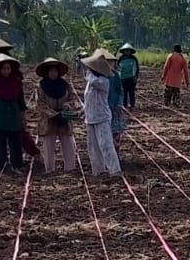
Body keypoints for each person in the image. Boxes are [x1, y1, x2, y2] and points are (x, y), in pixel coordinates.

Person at [0, 53, 38, 174]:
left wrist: (23, 115)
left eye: (8, 68)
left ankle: (16, 166)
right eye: (4, 68)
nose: (6, 71)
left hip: (13, 113)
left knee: (16, 141)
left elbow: (21, 101)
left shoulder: (16, 81)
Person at [32, 58, 80, 175]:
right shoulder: (41, 86)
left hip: (64, 118)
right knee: (48, 145)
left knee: (68, 143)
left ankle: (70, 168)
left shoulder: (65, 85)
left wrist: (66, 107)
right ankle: (49, 169)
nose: (53, 73)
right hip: (48, 119)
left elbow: (72, 99)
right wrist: (53, 114)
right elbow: (40, 104)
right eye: (51, 71)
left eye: (55, 71)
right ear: (47, 72)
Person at [81, 52, 121, 181]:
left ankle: (114, 170)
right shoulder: (91, 82)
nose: (88, 70)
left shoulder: (103, 81)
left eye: (90, 68)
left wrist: (88, 73)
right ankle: (98, 170)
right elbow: (88, 99)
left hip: (102, 117)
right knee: (93, 146)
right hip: (90, 117)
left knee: (105, 144)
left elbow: (92, 80)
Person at [116, 43, 140, 110]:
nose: (127, 52)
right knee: (124, 92)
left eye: (128, 50)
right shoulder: (120, 59)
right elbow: (118, 68)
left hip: (131, 78)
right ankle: (125, 105)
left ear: (130, 51)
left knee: (131, 92)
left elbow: (136, 68)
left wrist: (135, 76)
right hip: (123, 78)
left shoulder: (133, 58)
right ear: (123, 51)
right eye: (125, 51)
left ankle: (132, 104)